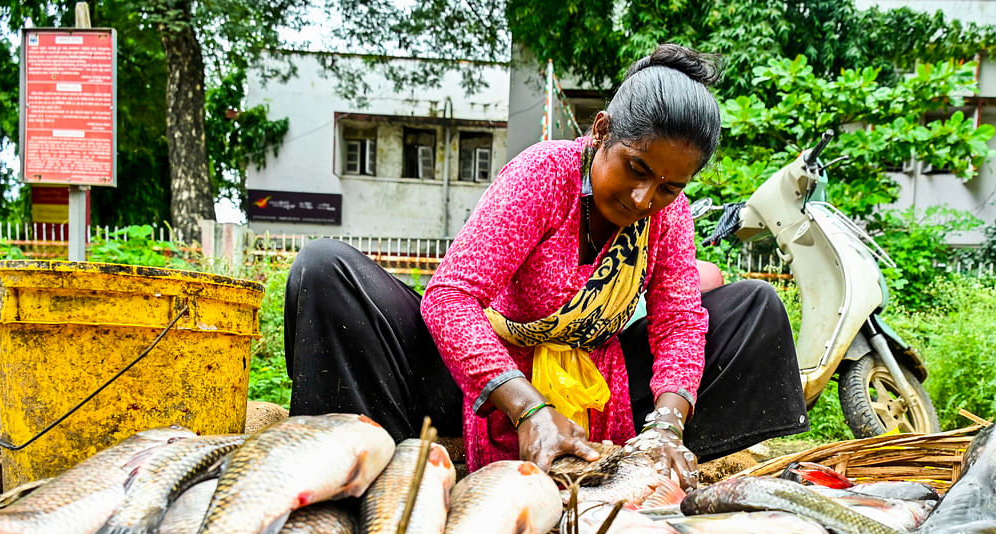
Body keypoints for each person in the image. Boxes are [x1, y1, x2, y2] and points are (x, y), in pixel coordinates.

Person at [284, 44, 807, 489]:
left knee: (754, 308)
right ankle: (367, 458)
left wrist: (667, 425)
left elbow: (680, 323)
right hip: (484, 382)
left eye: (670, 187)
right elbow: (450, 297)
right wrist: (530, 409)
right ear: (601, 131)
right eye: (636, 168)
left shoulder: (669, 215)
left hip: (603, 389)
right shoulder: (543, 174)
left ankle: (648, 457)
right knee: (326, 268)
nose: (645, 197)